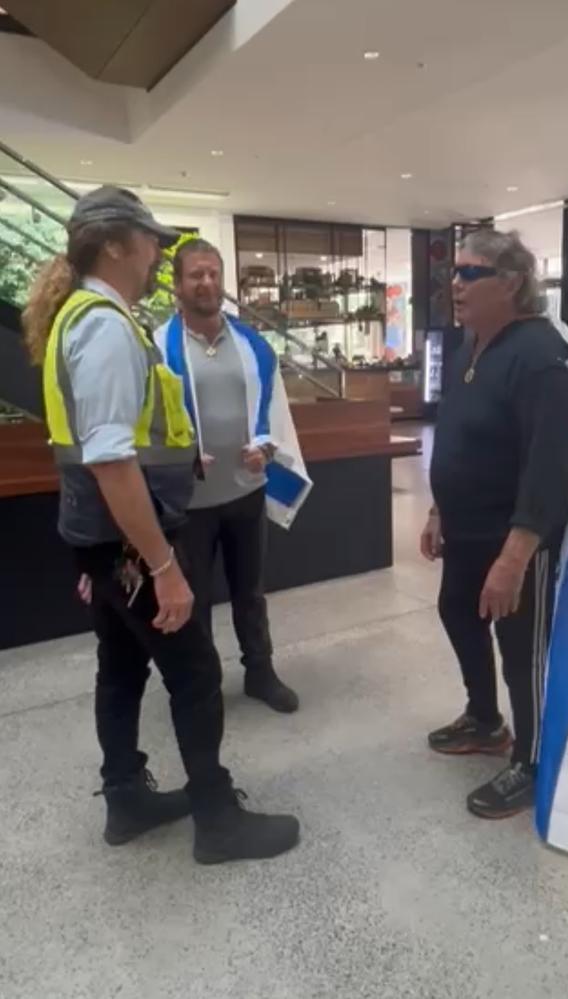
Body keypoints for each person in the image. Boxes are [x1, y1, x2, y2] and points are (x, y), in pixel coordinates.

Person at [23, 186, 299, 864]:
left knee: (120, 666)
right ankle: (216, 816)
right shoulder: (106, 328)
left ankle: (126, 798)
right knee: (195, 671)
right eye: (151, 242)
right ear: (116, 244)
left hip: (99, 537)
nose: (157, 256)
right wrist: (164, 566)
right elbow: (113, 460)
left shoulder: (82, 317)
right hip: (127, 542)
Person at [421, 229, 568, 820]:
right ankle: (485, 721)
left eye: (469, 274)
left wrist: (514, 559)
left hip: (512, 538)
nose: (455, 285)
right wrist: (439, 508)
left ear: (512, 282)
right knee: (456, 612)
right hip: (464, 530)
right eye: (454, 273)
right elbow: (458, 438)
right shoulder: (470, 347)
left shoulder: (541, 356)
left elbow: (547, 470)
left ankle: (532, 760)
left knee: (521, 651)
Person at [154, 238, 311, 713]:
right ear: (177, 285)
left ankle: (260, 674)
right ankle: (201, 684)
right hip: (191, 502)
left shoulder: (251, 344)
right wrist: (177, 458)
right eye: (195, 275)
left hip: (246, 492)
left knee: (250, 593)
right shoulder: (158, 346)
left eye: (213, 274)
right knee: (195, 600)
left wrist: (267, 445)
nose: (206, 283)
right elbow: (150, 422)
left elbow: (273, 412)